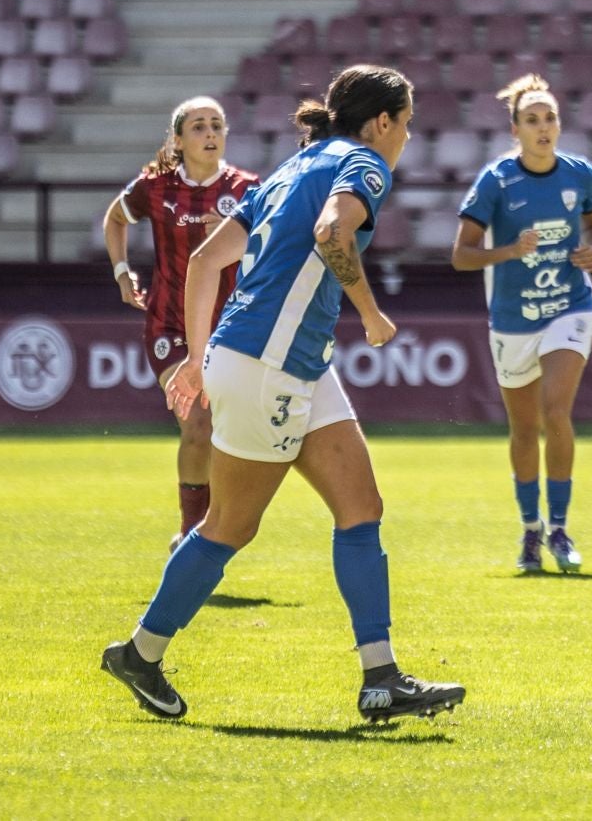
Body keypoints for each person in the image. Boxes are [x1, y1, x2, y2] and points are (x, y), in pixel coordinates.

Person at [100, 64, 465, 724]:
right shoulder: (363, 163)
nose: (406, 137)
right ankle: (141, 651)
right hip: (270, 363)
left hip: (289, 362)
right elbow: (332, 233)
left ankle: (381, 677)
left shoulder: (292, 167)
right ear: (382, 122)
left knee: (361, 506)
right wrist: (372, 312)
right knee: (231, 525)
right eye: (405, 124)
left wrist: (197, 355)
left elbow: (209, 261)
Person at [451, 74, 592, 573]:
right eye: (532, 120)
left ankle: (560, 529)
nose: (544, 128)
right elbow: (461, 256)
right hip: (513, 320)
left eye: (550, 118)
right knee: (523, 428)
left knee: (555, 412)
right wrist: (509, 252)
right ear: (515, 130)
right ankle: (530, 530)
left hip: (570, 305)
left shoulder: (579, 173)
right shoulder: (496, 182)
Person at [101, 97, 258, 548]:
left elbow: (274, 248)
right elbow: (115, 218)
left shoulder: (249, 189)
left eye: (217, 125)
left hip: (230, 328)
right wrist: (120, 271)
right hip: (169, 326)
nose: (210, 134)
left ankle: (213, 525)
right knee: (198, 423)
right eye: (198, 127)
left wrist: (234, 237)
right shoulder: (154, 187)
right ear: (178, 139)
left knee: (230, 436)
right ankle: (194, 536)